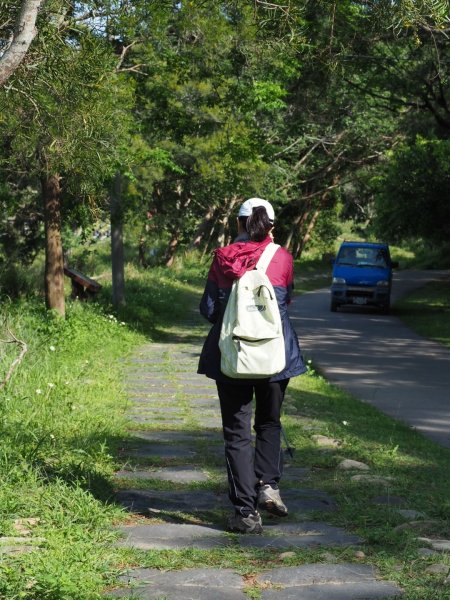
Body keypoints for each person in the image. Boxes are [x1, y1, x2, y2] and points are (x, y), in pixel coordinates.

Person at [198, 197, 306, 534]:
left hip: (233, 356)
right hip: (276, 356)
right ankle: (268, 485)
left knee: (237, 432)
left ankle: (245, 513)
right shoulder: (283, 258)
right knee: (270, 424)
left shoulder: (223, 258)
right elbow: (284, 303)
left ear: (239, 223)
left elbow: (210, 310)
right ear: (270, 225)